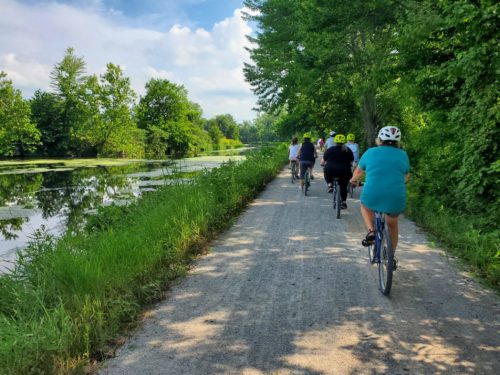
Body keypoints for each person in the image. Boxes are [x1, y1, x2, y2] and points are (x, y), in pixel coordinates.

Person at [349, 126, 410, 268]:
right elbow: (406, 176)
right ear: (398, 141)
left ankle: (371, 231)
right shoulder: (403, 155)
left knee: (365, 205)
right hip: (395, 195)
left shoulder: (370, 152)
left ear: (380, 139)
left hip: (373, 193)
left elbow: (358, 172)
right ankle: (390, 257)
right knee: (392, 224)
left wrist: (353, 181)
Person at [320, 134, 353, 209]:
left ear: (335, 142)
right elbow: (351, 163)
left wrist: (322, 164)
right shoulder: (348, 150)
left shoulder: (330, 149)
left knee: (326, 171)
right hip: (345, 171)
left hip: (331, 170)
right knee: (344, 186)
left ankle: (329, 185)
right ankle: (344, 203)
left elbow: (322, 162)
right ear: (344, 142)